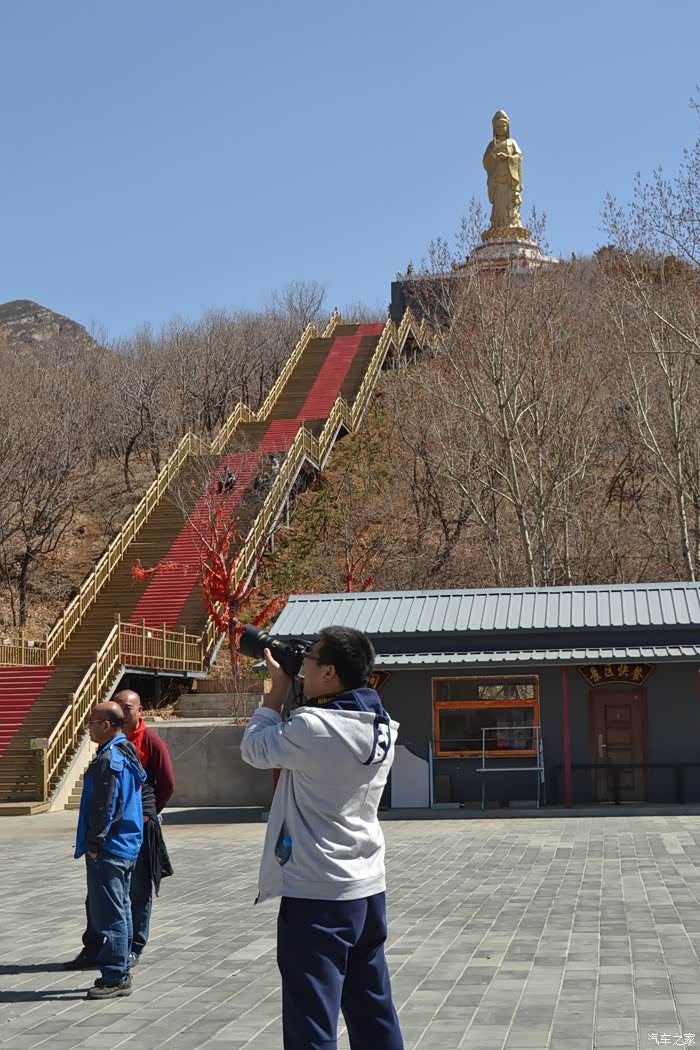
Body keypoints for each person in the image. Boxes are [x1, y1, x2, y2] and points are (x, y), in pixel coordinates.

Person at [240, 625, 404, 1050]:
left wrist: (277, 689)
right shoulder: (383, 727)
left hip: (318, 893)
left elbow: (253, 749)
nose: (302, 666)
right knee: (372, 1007)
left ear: (329, 672)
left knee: (311, 1016)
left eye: (309, 659)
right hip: (367, 886)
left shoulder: (314, 727)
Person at [64, 689, 174, 971]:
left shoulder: (138, 746)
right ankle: (97, 948)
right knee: (102, 899)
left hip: (127, 835)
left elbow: (164, 786)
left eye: (128, 708)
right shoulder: (120, 746)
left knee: (132, 895)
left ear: (139, 712)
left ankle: (125, 957)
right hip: (121, 836)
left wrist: (145, 814)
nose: (123, 713)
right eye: (120, 708)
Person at [72, 701, 146, 999]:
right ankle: (120, 966)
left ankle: (116, 975)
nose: (88, 727)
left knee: (111, 912)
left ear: (105, 725)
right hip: (126, 844)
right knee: (122, 909)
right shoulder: (125, 751)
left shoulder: (110, 758)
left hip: (111, 848)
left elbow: (106, 805)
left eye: (91, 722)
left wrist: (94, 844)